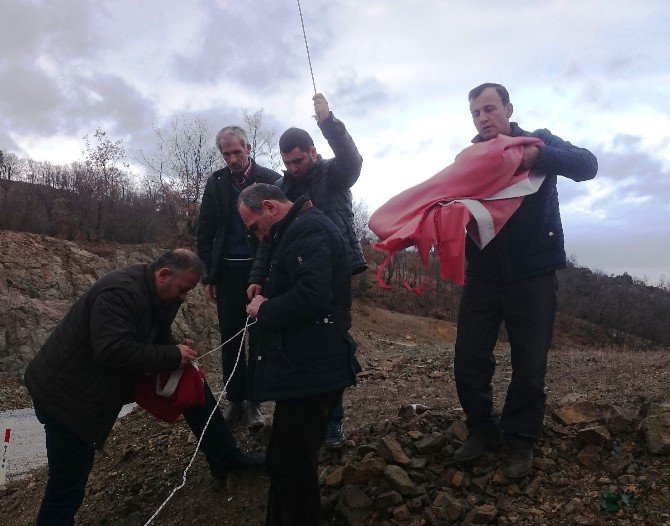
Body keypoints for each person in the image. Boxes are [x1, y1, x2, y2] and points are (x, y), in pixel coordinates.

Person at [24, 249, 264, 526]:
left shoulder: (159, 292)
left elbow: (150, 335)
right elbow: (111, 350)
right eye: (183, 289)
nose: (184, 297)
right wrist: (172, 354)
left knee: (191, 384)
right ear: (164, 274)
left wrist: (176, 350)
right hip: (67, 397)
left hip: (103, 380)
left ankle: (225, 458)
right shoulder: (120, 292)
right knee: (66, 487)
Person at [452, 83, 598, 478]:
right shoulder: (468, 158)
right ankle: (481, 429)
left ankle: (519, 440)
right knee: (467, 360)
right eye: (476, 113)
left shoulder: (540, 143)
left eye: (489, 109)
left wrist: (541, 155)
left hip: (534, 274)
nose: (483, 118)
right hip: (483, 274)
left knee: (529, 366)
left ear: (508, 109)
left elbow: (588, 164)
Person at [248, 93, 366, 448]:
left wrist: (328, 121)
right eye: (288, 162)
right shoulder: (283, 188)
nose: (295, 167)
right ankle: (301, 408)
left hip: (336, 266)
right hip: (296, 270)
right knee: (303, 339)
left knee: (331, 338)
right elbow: (268, 240)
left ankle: (334, 422)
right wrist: (256, 276)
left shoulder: (333, 174)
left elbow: (352, 159)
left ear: (313, 152)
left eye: (299, 160)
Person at [239, 184, 360, 526]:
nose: (258, 236)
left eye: (254, 226)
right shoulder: (294, 229)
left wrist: (266, 308)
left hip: (314, 368)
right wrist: (268, 285)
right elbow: (298, 281)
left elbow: (313, 296)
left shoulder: (309, 229)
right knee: (282, 461)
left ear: (270, 207)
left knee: (293, 467)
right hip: (305, 367)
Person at [197, 126, 281, 429]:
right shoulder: (216, 183)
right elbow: (205, 229)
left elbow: (280, 226)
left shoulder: (271, 179)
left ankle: (254, 402)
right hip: (228, 270)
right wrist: (209, 276)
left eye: (237, 151)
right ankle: (235, 399)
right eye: (226, 153)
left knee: (260, 333)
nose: (232, 158)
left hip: (261, 269)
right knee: (230, 334)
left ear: (248, 148)